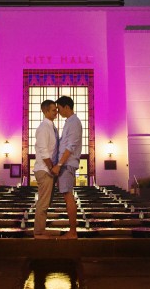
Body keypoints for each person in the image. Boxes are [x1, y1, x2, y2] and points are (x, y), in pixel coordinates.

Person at [52, 95, 81, 238]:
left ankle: (73, 231)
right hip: (66, 164)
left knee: (68, 195)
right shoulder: (69, 122)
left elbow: (70, 147)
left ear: (67, 107)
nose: (58, 112)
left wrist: (59, 164)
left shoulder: (74, 122)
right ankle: (72, 231)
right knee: (66, 195)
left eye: (59, 108)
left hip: (67, 164)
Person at [32, 99, 60, 238]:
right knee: (43, 202)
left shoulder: (51, 127)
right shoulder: (43, 128)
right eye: (54, 109)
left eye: (56, 109)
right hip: (44, 169)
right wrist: (52, 167)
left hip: (48, 170)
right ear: (45, 111)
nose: (57, 112)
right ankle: (38, 231)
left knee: (46, 201)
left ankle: (41, 229)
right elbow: (43, 151)